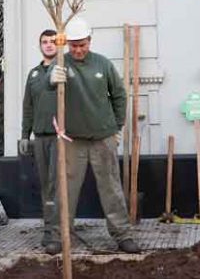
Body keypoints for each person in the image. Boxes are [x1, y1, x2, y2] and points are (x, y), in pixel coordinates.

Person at [48, 16, 140, 255]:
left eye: (82, 44)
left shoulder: (103, 64)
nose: (78, 49)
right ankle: (59, 237)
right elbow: (45, 90)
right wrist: (51, 79)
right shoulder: (60, 63)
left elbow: (119, 95)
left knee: (111, 188)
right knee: (65, 190)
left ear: (90, 40)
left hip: (103, 136)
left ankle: (123, 235)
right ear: (67, 43)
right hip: (71, 139)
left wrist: (117, 127)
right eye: (74, 45)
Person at [19, 29, 59, 248]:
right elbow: (28, 107)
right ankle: (48, 229)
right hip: (40, 137)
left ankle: (58, 231)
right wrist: (25, 135)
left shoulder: (64, 69)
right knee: (45, 185)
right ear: (40, 45)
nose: (49, 45)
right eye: (45, 42)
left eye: (53, 42)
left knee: (57, 184)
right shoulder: (34, 74)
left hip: (61, 137)